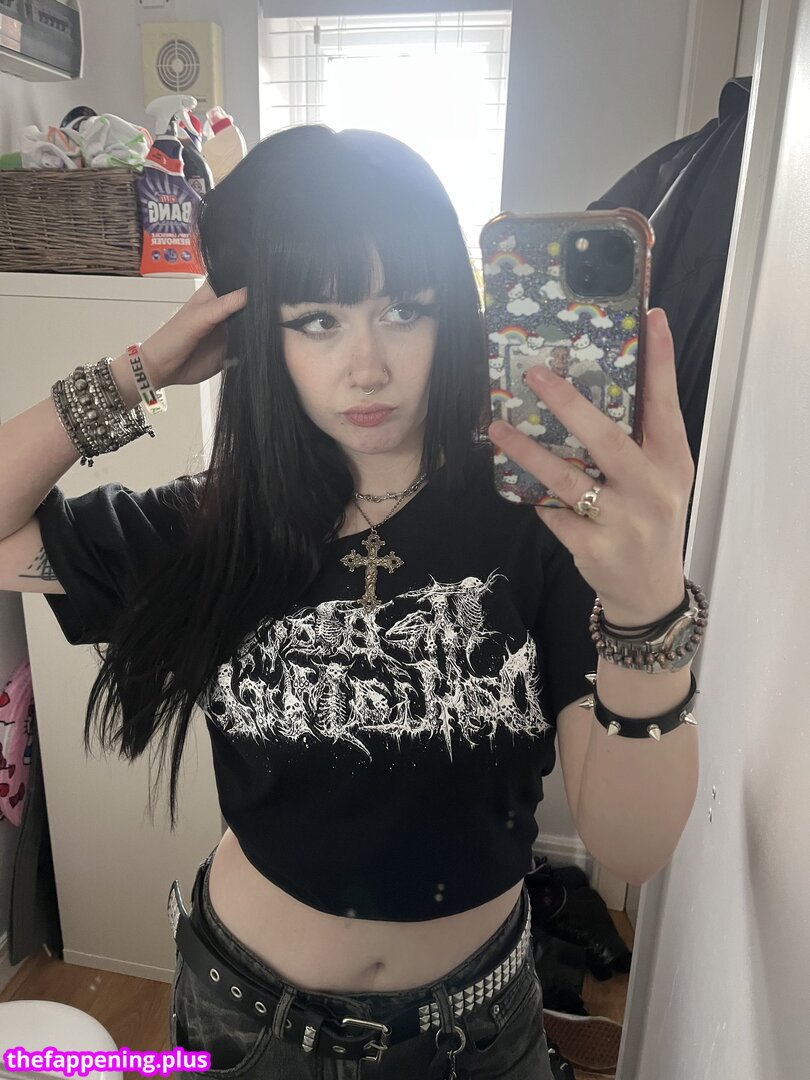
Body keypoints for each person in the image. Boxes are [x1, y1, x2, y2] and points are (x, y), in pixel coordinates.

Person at [0, 125, 704, 1079]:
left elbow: (632, 845)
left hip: (476, 1035)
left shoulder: (546, 520)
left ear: (452, 314)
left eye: (404, 310)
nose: (366, 366)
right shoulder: (216, 527)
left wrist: (648, 600)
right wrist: (145, 367)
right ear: (263, 334)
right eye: (318, 319)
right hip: (248, 1021)